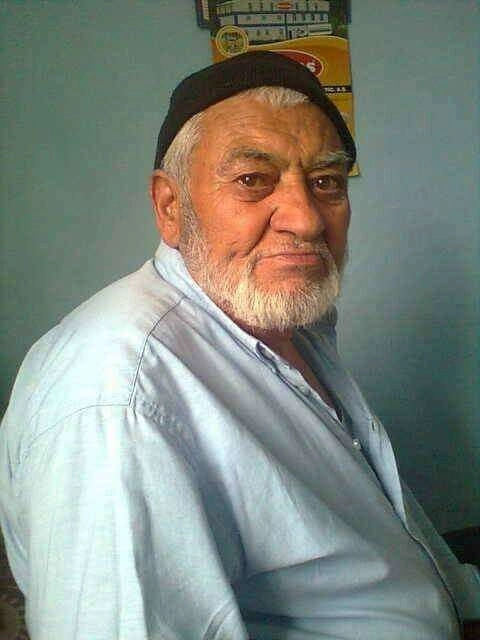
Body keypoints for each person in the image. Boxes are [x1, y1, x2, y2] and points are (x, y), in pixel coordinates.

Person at [0, 51, 478, 640]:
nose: (306, 219)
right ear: (171, 207)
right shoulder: (120, 399)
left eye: (326, 182)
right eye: (253, 180)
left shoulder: (288, 320)